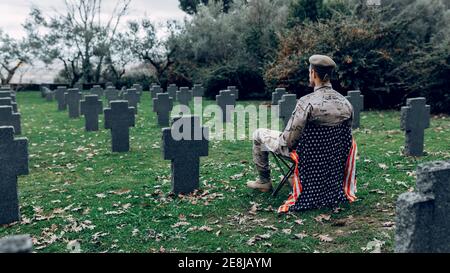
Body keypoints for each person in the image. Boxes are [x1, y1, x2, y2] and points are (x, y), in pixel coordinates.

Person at [248, 55, 354, 195]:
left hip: (306, 157)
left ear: (313, 73)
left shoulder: (306, 103)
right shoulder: (346, 103)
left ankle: (264, 181)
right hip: (331, 157)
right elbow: (346, 138)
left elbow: (289, 142)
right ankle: (295, 177)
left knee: (258, 134)